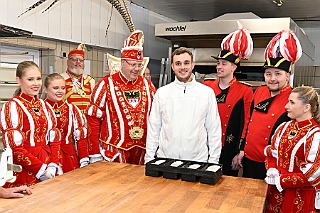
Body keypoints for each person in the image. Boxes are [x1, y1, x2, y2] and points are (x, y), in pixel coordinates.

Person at [86, 30, 156, 165]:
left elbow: (158, 116)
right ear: (122, 62)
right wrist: (94, 152)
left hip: (143, 152)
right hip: (114, 152)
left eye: (139, 65)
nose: (136, 69)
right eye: (132, 64)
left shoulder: (148, 85)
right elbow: (93, 121)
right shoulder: (105, 84)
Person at [239, 30, 302, 179]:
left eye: (277, 74)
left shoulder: (294, 99)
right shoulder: (259, 91)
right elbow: (248, 122)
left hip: (273, 165)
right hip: (249, 160)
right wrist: (242, 149)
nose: (272, 79)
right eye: (268, 74)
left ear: (287, 75)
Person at [145, 47, 222, 164]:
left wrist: (213, 161)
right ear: (172, 66)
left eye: (186, 63)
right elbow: (154, 128)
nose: (182, 67)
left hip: (197, 161)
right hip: (166, 159)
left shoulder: (206, 93)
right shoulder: (162, 93)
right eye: (178, 63)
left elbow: (214, 130)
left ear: (192, 65)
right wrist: (149, 158)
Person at [0, 61, 61, 187]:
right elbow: (14, 148)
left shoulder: (45, 105)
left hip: (49, 166)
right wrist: (41, 170)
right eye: (30, 79)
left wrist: (53, 165)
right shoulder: (12, 107)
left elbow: (54, 139)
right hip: (26, 169)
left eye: (38, 79)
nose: (36, 83)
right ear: (18, 80)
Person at [203, 26, 253, 176]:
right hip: (204, 144)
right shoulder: (206, 85)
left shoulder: (245, 90)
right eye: (218, 63)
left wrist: (240, 150)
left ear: (233, 67)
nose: (219, 66)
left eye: (224, 63)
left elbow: (246, 122)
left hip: (229, 146)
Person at [264, 86, 320, 213]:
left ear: (307, 107)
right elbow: (271, 153)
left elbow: (313, 175)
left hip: (298, 197)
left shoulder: (315, 135)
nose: (286, 106)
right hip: (276, 193)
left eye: (292, 102)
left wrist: (281, 180)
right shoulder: (284, 127)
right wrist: (272, 168)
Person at [43, 73, 90, 173]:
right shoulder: (40, 108)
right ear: (45, 89)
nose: (60, 91)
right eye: (55, 88)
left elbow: (81, 138)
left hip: (69, 158)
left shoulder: (72, 109)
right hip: (46, 157)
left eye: (63, 88)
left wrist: (84, 160)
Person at [60, 43, 95, 114]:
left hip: (87, 121)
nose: (78, 62)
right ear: (68, 62)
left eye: (81, 60)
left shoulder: (90, 80)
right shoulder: (60, 79)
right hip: (69, 121)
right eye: (74, 60)